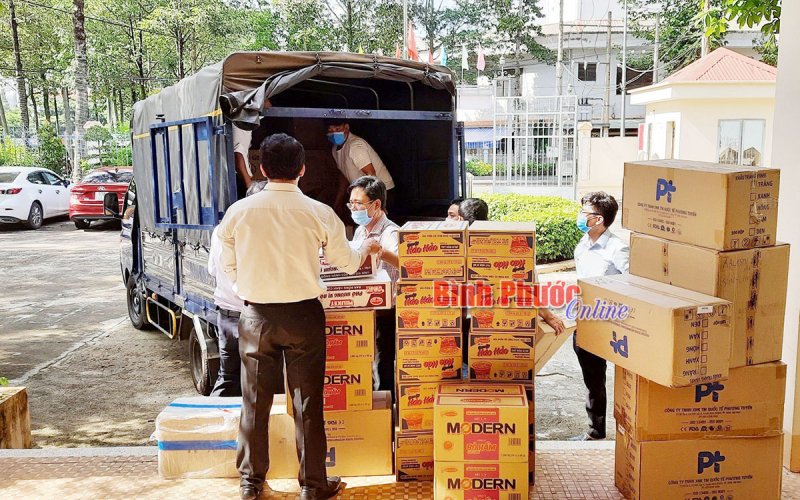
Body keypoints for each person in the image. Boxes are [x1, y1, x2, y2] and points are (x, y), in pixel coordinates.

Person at [217, 133, 380, 500]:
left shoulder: (239, 212)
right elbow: (348, 262)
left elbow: (224, 257)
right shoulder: (318, 212)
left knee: (254, 402)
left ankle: (250, 484)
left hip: (256, 315)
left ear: (261, 169)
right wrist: (365, 246)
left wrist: (243, 283)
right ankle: (313, 485)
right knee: (308, 403)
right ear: (303, 170)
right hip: (304, 316)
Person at [571, 191, 629, 441]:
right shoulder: (583, 244)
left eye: (585, 213)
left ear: (599, 218)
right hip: (587, 319)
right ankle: (596, 429)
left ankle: (629, 425)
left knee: (625, 376)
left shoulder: (618, 248)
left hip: (613, 320)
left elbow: (633, 284)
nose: (580, 217)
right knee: (593, 378)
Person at [207, 180, 267, 397]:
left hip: (226, 314)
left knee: (228, 375)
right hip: (254, 315)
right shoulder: (263, 234)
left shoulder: (220, 230)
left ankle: (214, 422)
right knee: (260, 377)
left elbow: (212, 269)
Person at [347, 176, 400, 393]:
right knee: (366, 360)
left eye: (358, 203)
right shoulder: (361, 230)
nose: (353, 208)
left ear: (376, 205)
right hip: (366, 307)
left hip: (387, 310)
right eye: (351, 203)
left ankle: (387, 408)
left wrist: (381, 251)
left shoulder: (391, 232)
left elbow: (405, 263)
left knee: (383, 362)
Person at [325, 119, 396, 211]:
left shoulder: (355, 146)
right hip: (364, 193)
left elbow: (371, 174)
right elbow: (343, 174)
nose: (334, 134)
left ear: (346, 127)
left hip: (381, 192)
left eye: (337, 129)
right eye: (330, 130)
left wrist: (377, 202)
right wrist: (338, 200)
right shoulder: (335, 149)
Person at [232, 100, 272, 192]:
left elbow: (267, 105)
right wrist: (249, 185)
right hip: (241, 180)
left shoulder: (244, 124)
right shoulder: (240, 126)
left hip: (242, 178)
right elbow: (238, 156)